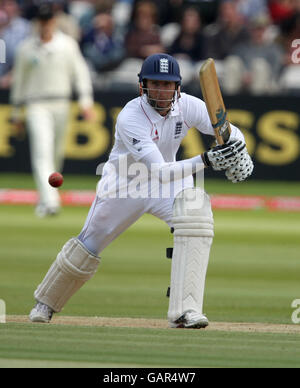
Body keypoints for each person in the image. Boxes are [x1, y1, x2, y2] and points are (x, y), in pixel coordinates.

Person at [28, 53, 253, 328]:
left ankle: (186, 311)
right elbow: (157, 170)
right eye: (154, 83)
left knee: (196, 215)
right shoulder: (130, 117)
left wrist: (239, 151)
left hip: (170, 183)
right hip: (125, 184)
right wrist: (206, 160)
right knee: (90, 244)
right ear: (142, 85)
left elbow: (227, 129)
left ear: (177, 87)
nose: (161, 90)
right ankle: (46, 302)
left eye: (167, 84)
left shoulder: (188, 105)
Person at [10, 2, 95, 217]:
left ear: (55, 21)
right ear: (37, 22)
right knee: (42, 150)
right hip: (36, 104)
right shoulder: (26, 48)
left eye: (48, 20)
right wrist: (16, 113)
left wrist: (86, 102)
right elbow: (19, 82)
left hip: (61, 103)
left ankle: (46, 197)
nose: (45, 24)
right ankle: (50, 202)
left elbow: (81, 73)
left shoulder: (67, 45)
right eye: (42, 20)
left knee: (55, 156)